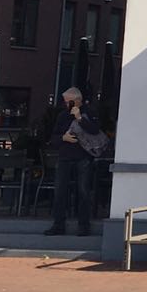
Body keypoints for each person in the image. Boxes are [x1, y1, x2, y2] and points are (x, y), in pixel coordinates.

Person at [45, 88, 101, 237]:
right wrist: (63, 138)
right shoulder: (62, 115)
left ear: (76, 100)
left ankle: (83, 225)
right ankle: (58, 224)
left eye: (68, 101)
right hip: (64, 157)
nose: (65, 104)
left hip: (83, 157)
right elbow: (53, 137)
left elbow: (95, 131)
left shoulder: (90, 112)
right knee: (60, 191)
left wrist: (80, 118)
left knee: (83, 191)